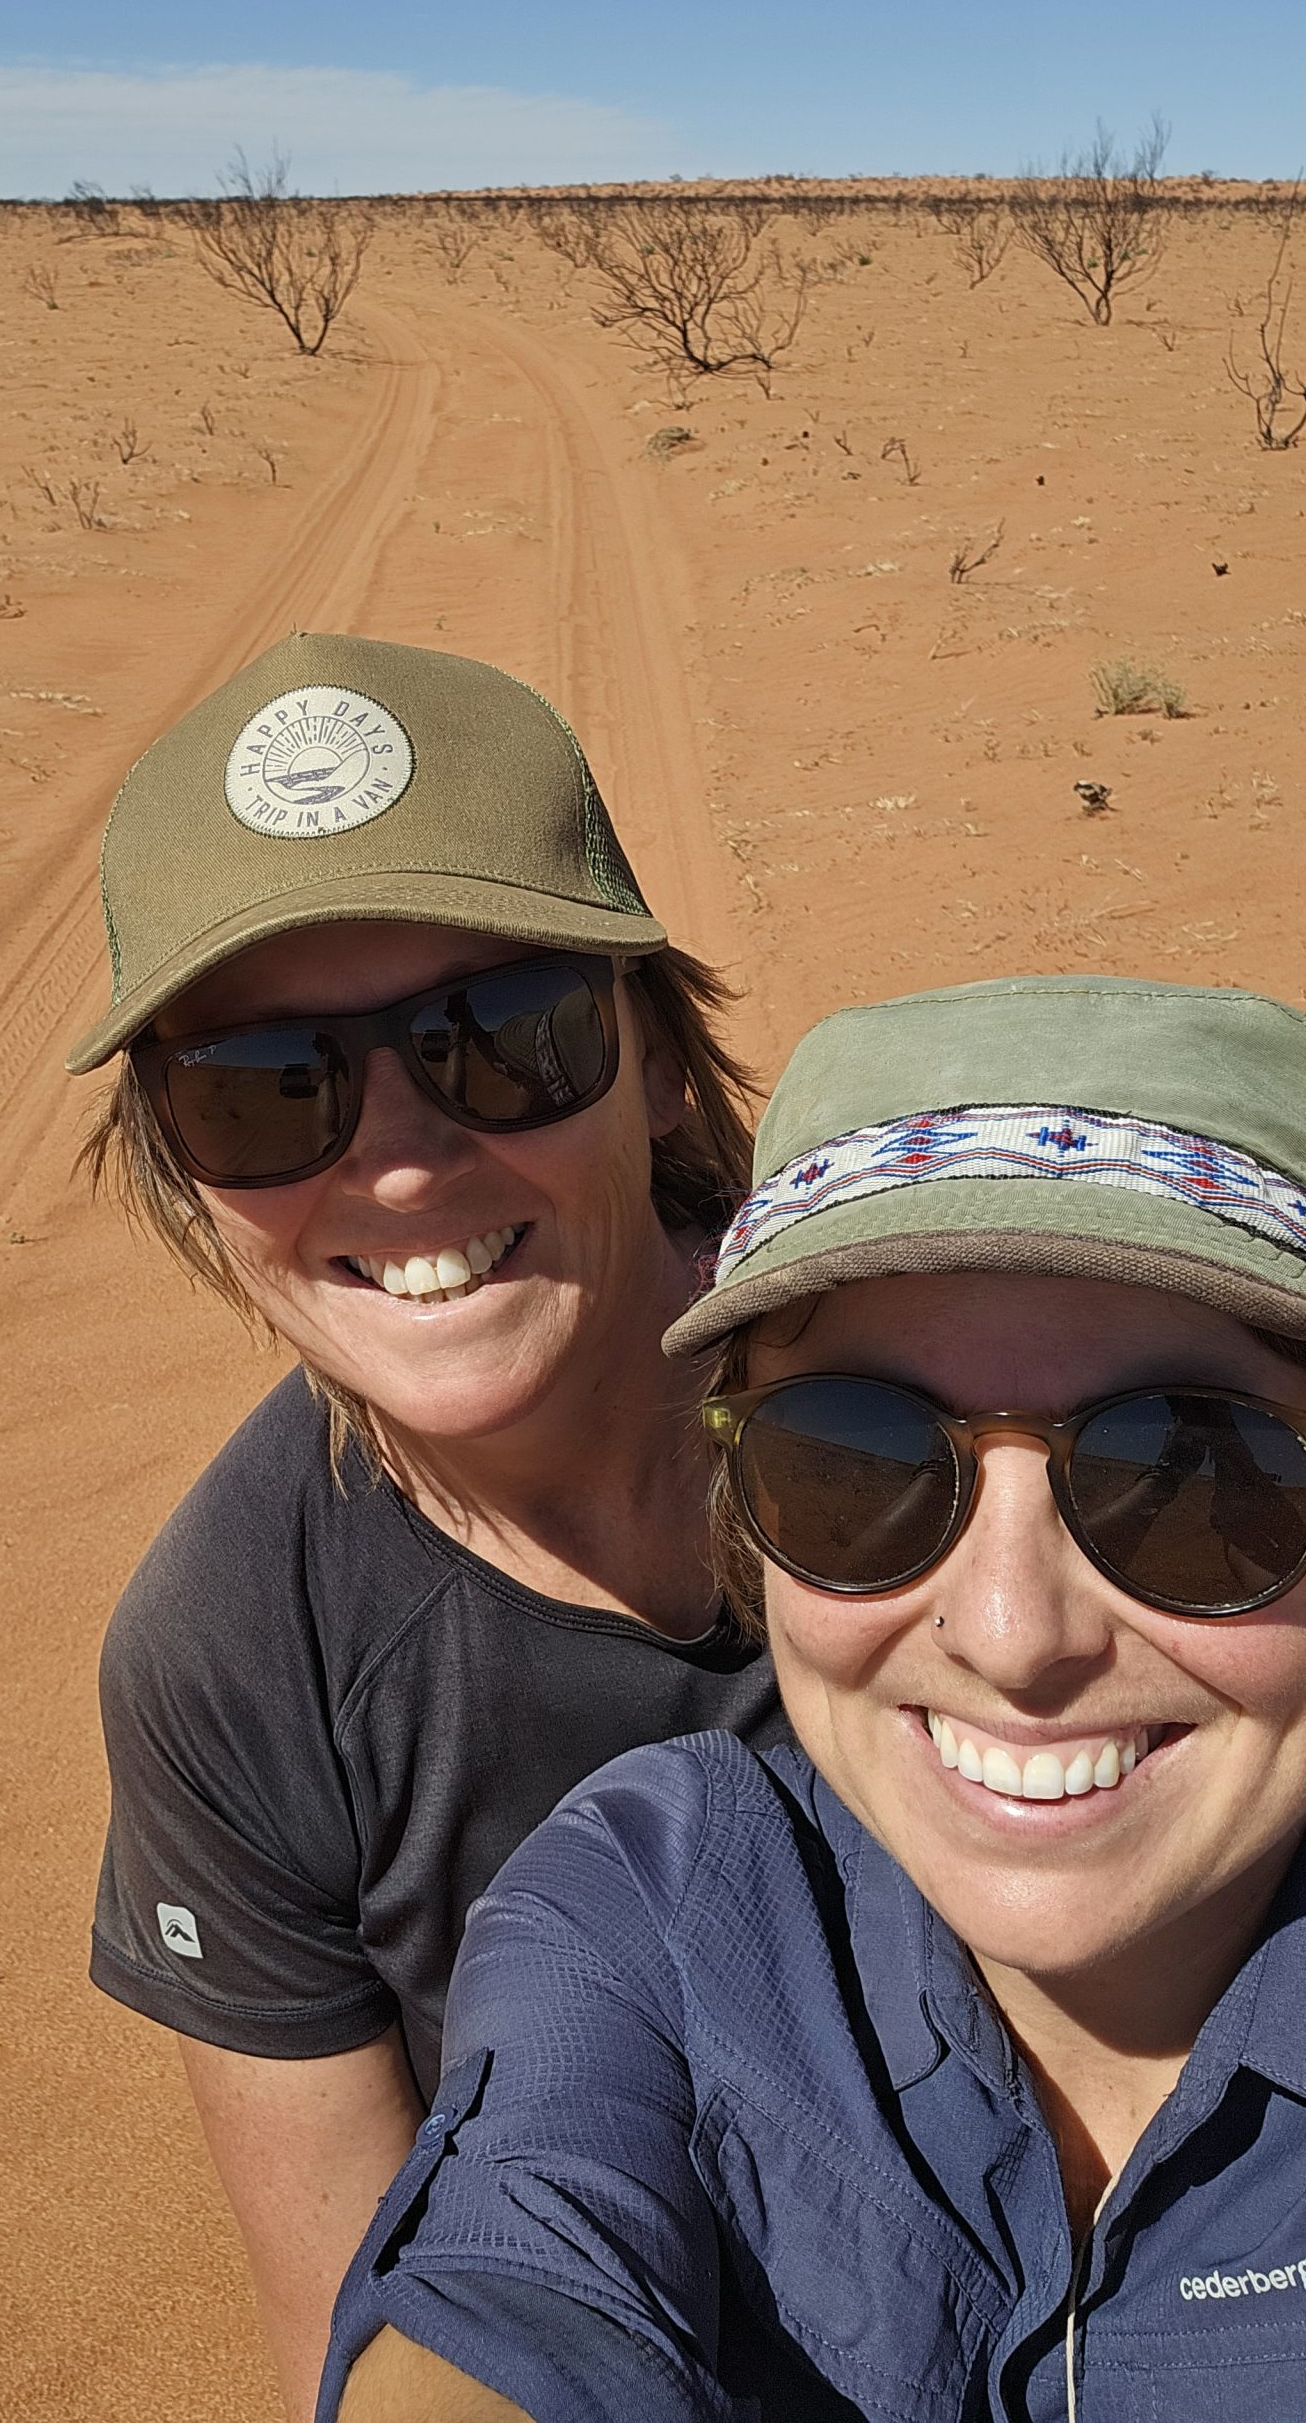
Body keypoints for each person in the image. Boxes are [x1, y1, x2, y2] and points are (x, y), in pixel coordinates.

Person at [324, 973, 1306, 2422]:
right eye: (857, 1459)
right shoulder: (660, 1904)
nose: (1012, 1635)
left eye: (1190, 1471)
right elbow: (513, 2292)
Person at [68, 631, 785, 2418]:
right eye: (263, 1089)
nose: (395, 1162)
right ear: (182, 1169)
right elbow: (365, 2319)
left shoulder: (922, 1392)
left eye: (504, 1036)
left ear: (657, 1059)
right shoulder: (240, 1655)